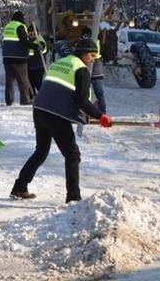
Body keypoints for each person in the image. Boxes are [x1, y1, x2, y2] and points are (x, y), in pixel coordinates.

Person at [10, 39, 112, 203]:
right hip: (55, 115)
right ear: (83, 54)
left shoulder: (60, 62)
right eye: (92, 55)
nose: (93, 59)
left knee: (41, 151)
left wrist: (84, 115)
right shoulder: (81, 70)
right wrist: (100, 115)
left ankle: (20, 187)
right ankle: (73, 198)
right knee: (72, 155)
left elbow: (60, 92)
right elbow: (82, 101)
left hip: (40, 109)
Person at [1, 11, 37, 106]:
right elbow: (24, 42)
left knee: (9, 81)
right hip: (19, 58)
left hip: (7, 58)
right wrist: (36, 46)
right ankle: (25, 100)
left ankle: (9, 101)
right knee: (23, 81)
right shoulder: (20, 26)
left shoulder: (7, 26)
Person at [80, 26, 106, 113]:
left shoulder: (95, 41)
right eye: (83, 36)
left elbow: (95, 53)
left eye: (86, 36)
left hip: (96, 70)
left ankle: (102, 111)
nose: (84, 37)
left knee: (99, 92)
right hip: (88, 70)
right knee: (85, 93)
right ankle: (87, 110)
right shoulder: (82, 43)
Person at [27, 25, 48, 96]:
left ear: (37, 33)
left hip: (38, 66)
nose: (32, 36)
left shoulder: (40, 41)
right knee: (30, 83)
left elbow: (41, 49)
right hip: (30, 66)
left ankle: (42, 96)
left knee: (38, 83)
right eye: (30, 34)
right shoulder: (28, 40)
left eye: (33, 34)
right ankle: (32, 96)